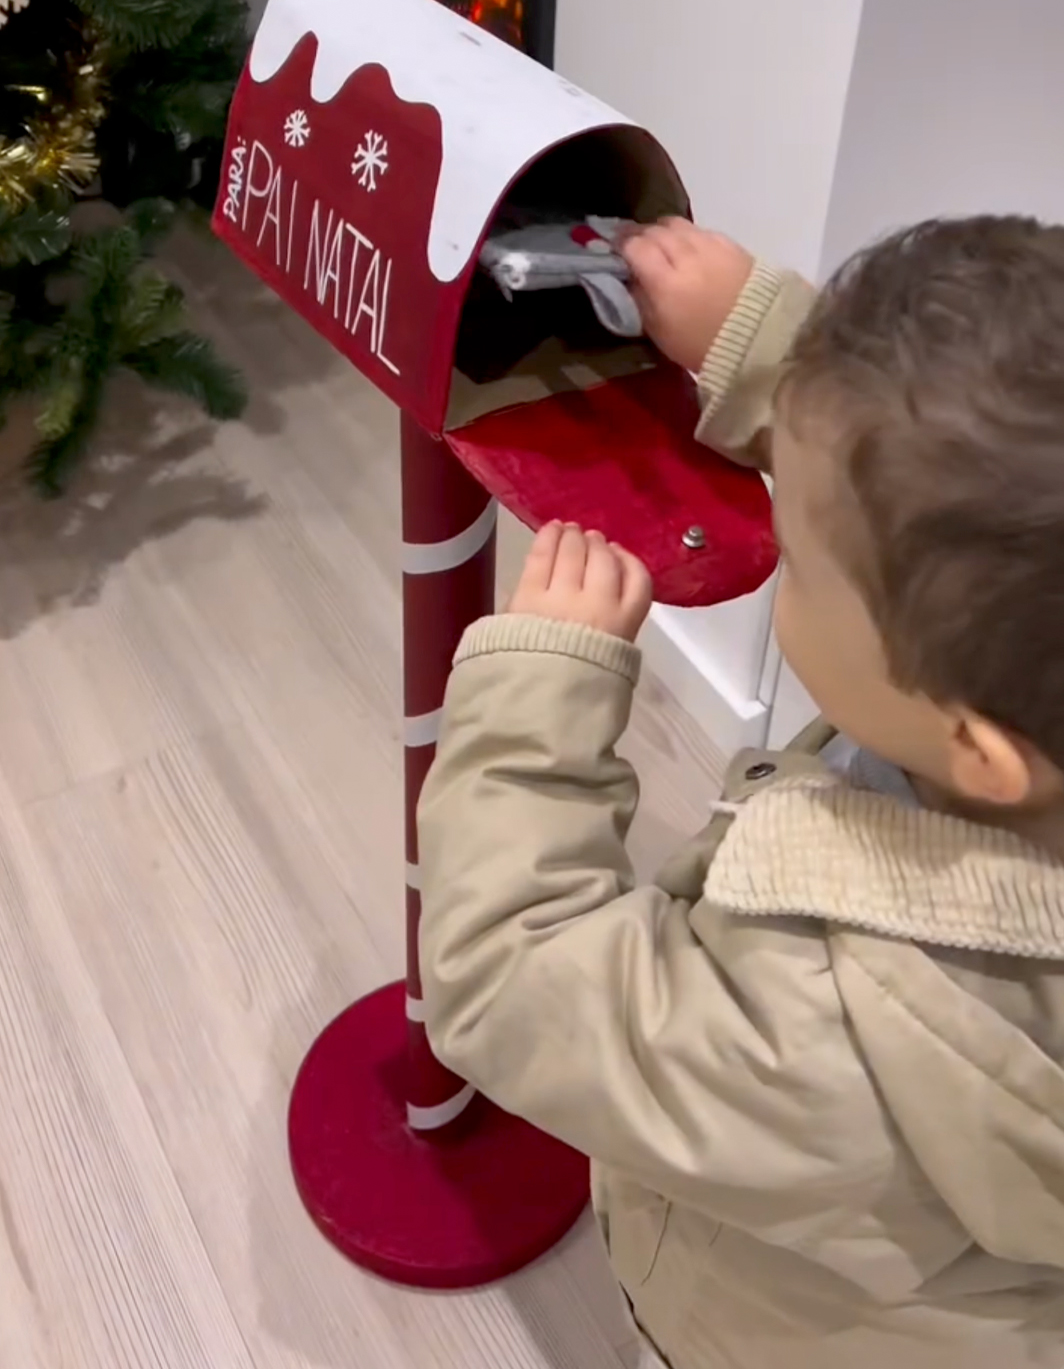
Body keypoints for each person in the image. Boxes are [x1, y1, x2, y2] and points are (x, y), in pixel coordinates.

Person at [417, 215, 1064, 1369]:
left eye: (802, 561)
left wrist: (536, 707)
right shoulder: (1024, 691)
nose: (779, 548)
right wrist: (777, 354)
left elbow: (513, 983)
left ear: (978, 752)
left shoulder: (845, 1031)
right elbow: (1011, 482)